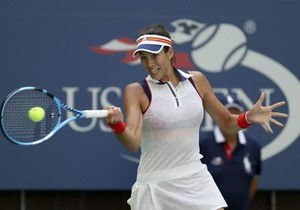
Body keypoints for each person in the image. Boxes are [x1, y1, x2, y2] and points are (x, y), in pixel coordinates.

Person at [104, 24, 288, 210]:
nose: (150, 64)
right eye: (144, 58)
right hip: (155, 184)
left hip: (194, 177)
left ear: (169, 52)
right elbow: (133, 143)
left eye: (154, 55)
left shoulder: (197, 81)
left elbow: (227, 123)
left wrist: (248, 117)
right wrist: (117, 124)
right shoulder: (136, 91)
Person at [200, 94, 262, 210]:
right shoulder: (203, 144)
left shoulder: (253, 145)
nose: (232, 117)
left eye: (236, 113)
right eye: (228, 114)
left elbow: (255, 179)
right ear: (218, 116)